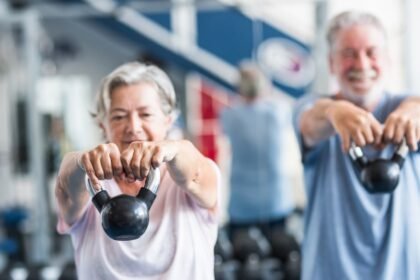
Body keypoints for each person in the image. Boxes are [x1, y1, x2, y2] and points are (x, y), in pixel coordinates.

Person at [54, 62, 220, 279]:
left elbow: (196, 172)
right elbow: (67, 180)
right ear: (103, 126)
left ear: (168, 121)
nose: (133, 126)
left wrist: (172, 148)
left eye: (146, 114)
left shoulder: (191, 176)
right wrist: (81, 161)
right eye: (119, 116)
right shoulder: (90, 183)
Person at [293, 11, 420, 279]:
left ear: (387, 60)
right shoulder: (311, 109)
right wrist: (335, 112)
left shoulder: (404, 106)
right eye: (348, 54)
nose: (361, 64)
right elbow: (310, 121)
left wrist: (414, 109)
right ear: (331, 63)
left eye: (371, 52)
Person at [219, 62, 295, 243]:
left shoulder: (230, 115)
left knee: (242, 260)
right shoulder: (279, 112)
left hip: (242, 204)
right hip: (276, 201)